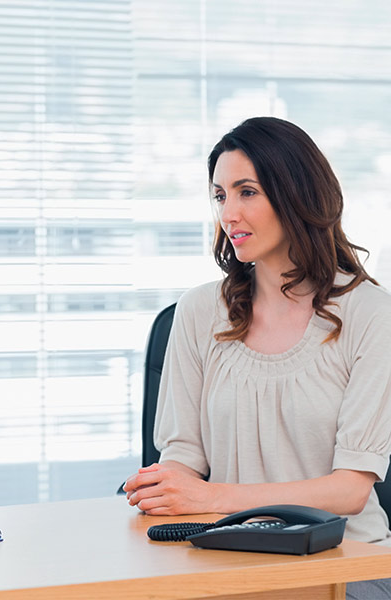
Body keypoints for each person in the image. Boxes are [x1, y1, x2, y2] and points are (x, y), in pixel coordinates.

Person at [122, 117, 391, 597]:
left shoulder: (370, 313)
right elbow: (181, 457)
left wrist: (213, 497)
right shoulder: (200, 310)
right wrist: (168, 489)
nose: (229, 214)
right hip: (226, 565)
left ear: (297, 194)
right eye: (220, 195)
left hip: (345, 568)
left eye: (247, 192)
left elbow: (349, 490)